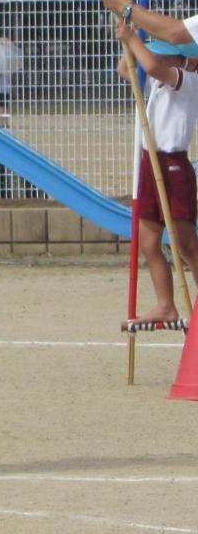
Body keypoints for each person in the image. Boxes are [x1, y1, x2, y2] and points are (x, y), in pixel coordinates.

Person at [112, 20, 198, 323]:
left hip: (173, 165)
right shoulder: (159, 79)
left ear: (178, 58)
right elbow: (127, 68)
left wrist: (134, 38)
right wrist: (130, 33)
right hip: (149, 161)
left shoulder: (186, 78)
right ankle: (165, 305)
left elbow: (153, 67)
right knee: (148, 241)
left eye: (163, 54)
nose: (158, 57)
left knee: (185, 242)